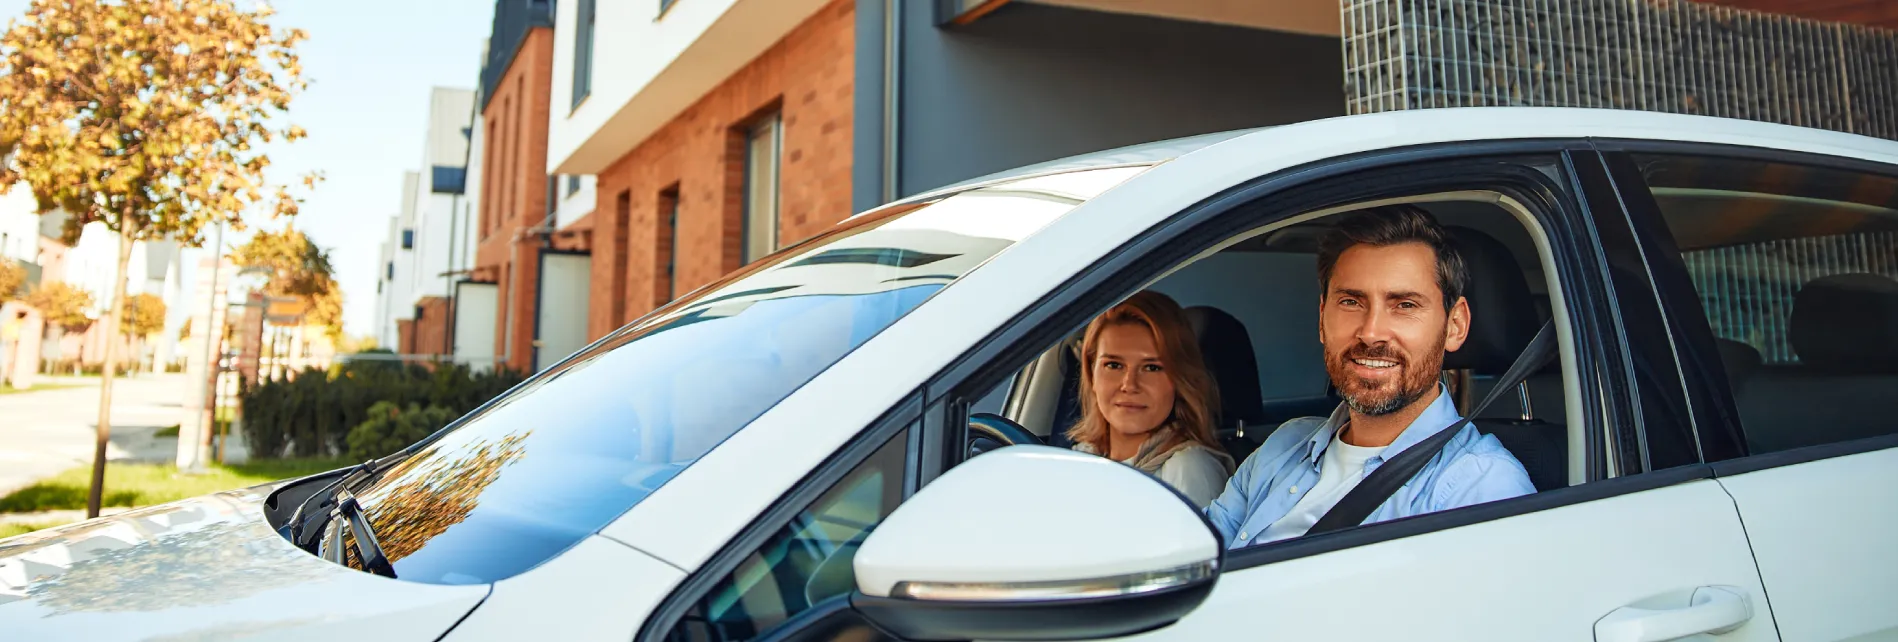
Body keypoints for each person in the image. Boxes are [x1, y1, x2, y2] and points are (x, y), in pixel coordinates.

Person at [1206, 205, 1534, 548]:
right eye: (1351, 301)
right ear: (1322, 318)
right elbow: (1197, 554)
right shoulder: (1284, 447)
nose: (1371, 332)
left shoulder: (1479, 487)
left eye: (1405, 305)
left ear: (1455, 325)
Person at [1067, 291, 1235, 508]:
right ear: (1091, 373)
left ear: (1179, 378)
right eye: (1114, 365)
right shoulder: (1081, 457)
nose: (1129, 384)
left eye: (1152, 368)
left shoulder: (1189, 469)